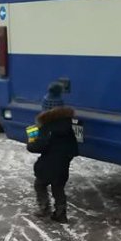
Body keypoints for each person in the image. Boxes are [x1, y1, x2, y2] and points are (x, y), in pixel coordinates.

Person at [30, 81, 78, 224]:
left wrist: (32, 138)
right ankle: (61, 214)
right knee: (58, 188)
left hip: (47, 165)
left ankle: (44, 208)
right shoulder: (68, 124)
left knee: (40, 185)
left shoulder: (44, 127)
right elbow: (74, 148)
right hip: (62, 166)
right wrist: (66, 157)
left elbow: (35, 147)